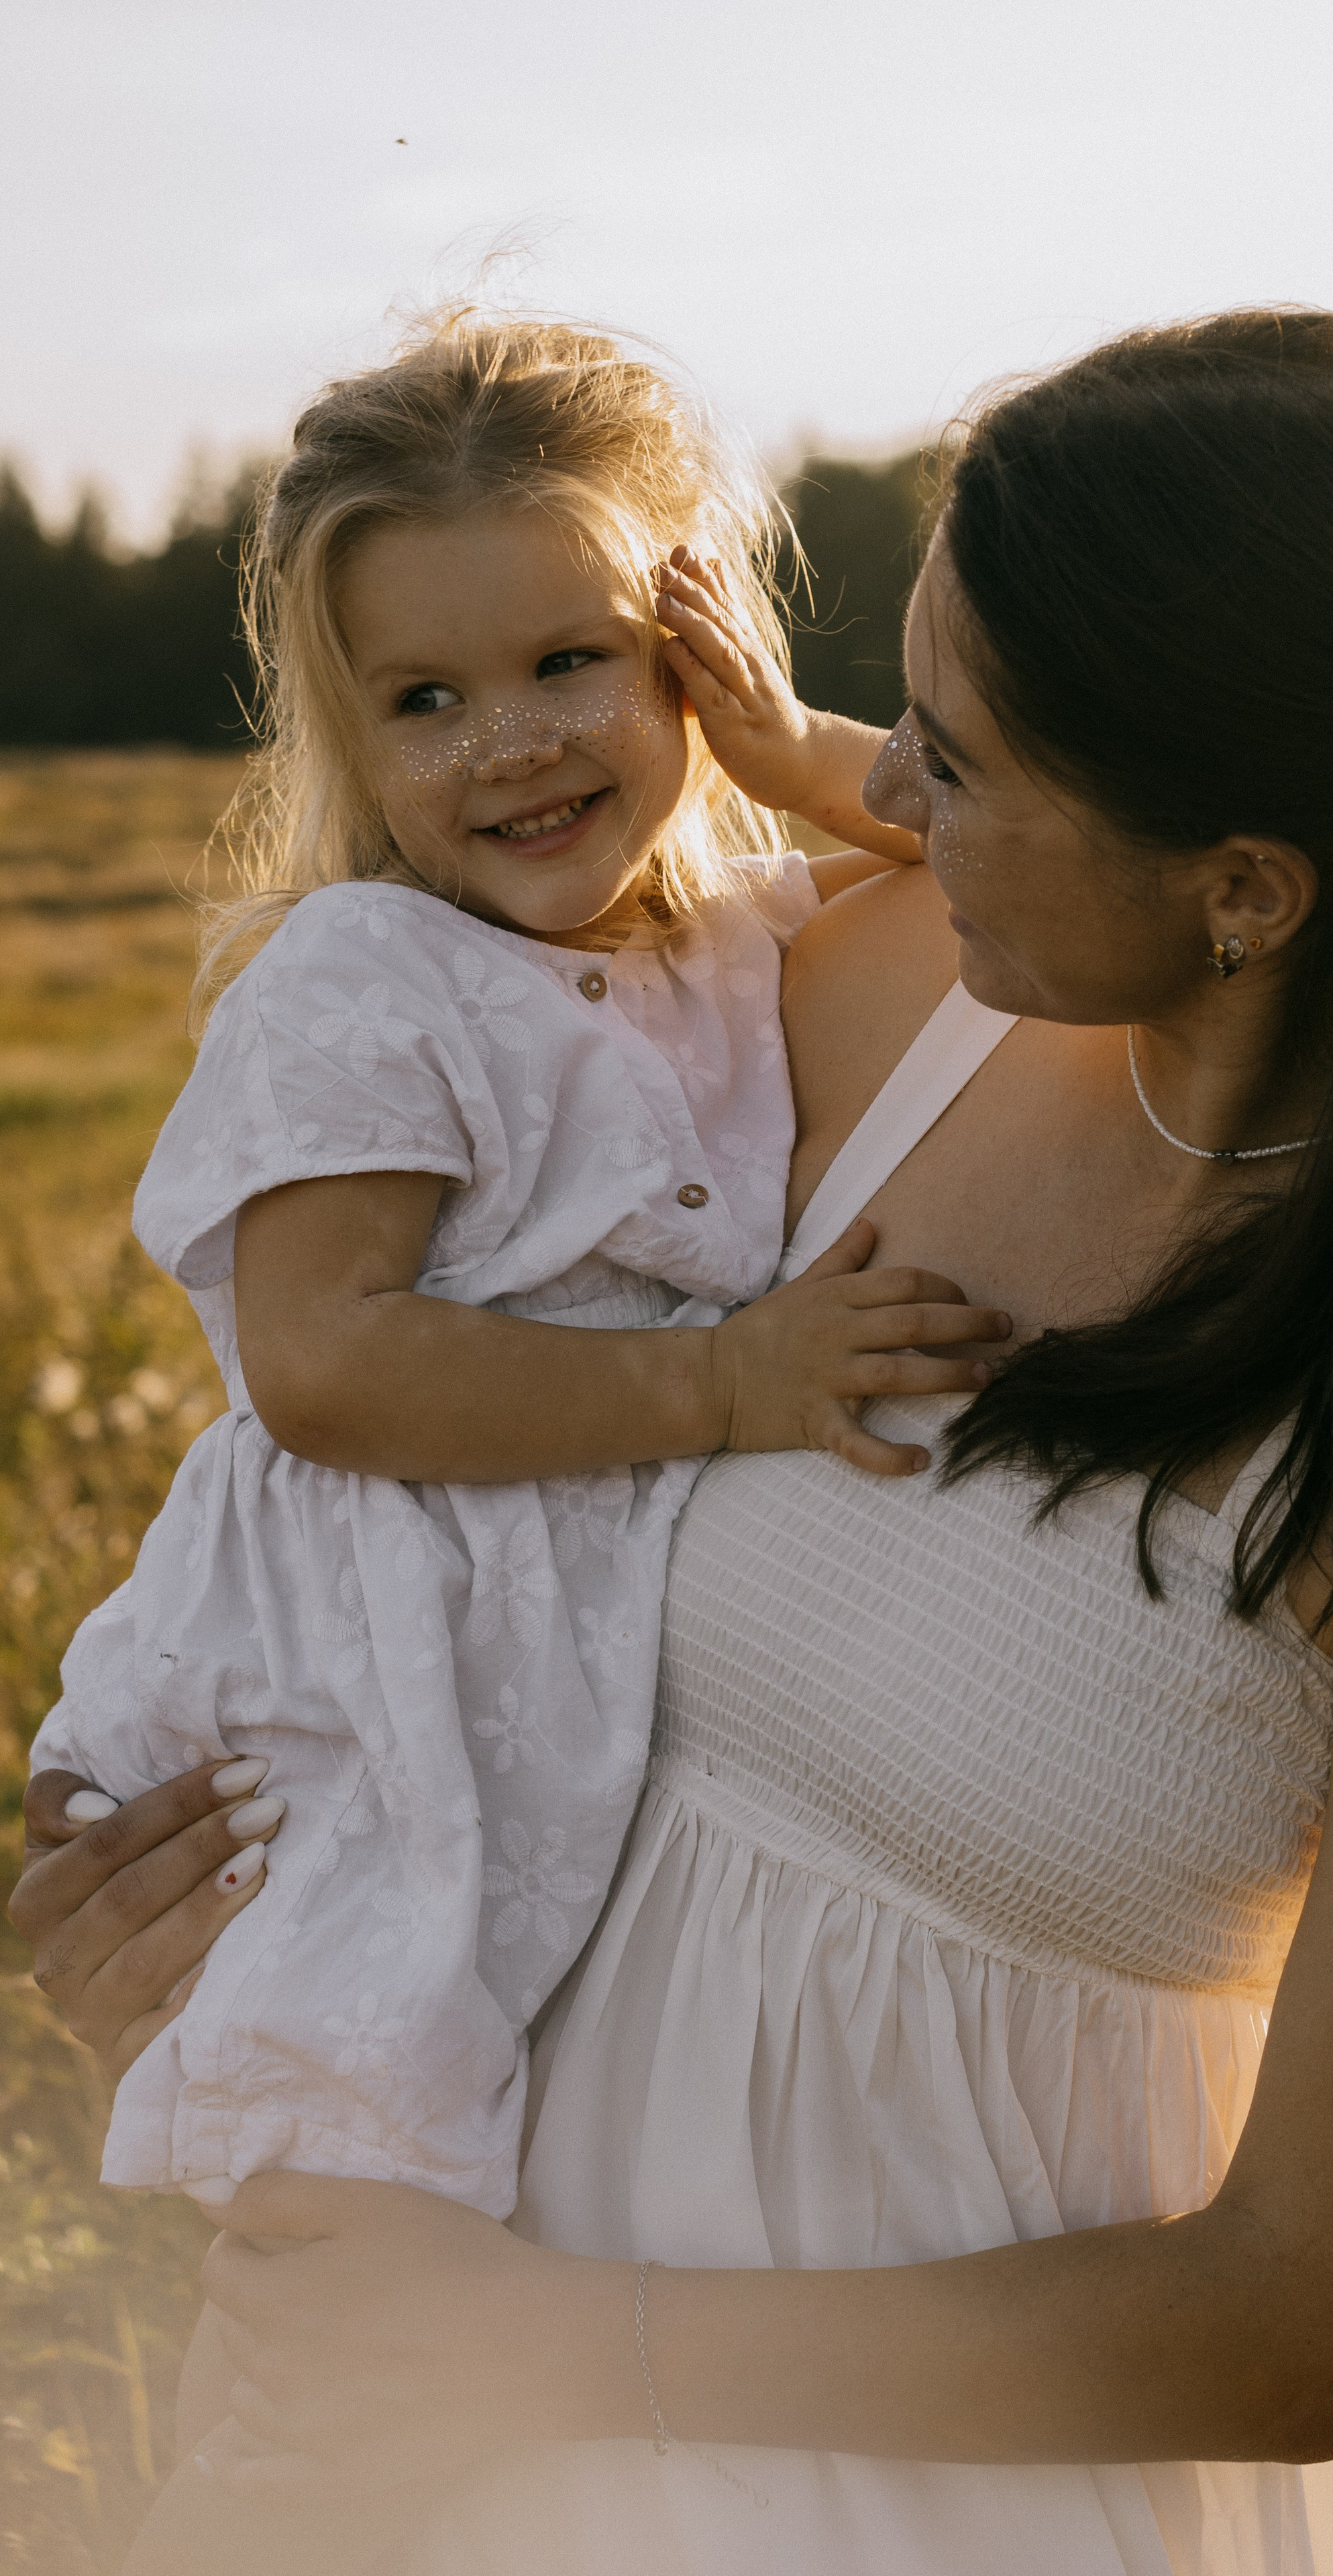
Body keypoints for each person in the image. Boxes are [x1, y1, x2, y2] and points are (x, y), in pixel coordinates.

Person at [15, 306, 1333, 2576]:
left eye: (960, 761)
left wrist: (561, 2354)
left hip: (941, 2493)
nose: (856, 788)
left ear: (1246, 879)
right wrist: (224, 1893)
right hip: (429, 2396)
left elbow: (1301, 2317)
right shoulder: (842, 1002)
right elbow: (422, 1483)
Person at [24, 314, 1004, 2221]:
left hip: (543, 1649)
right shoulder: (364, 982)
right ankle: (302, 2455)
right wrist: (721, 1386)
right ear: (351, 732)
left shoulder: (724, 931)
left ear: (689, 656)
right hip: (358, 1670)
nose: (516, 741)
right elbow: (322, 1360)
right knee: (350, 2110)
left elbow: (991, 841)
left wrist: (796, 751)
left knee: (519, 2102)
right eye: (427, 702)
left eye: (575, 661)